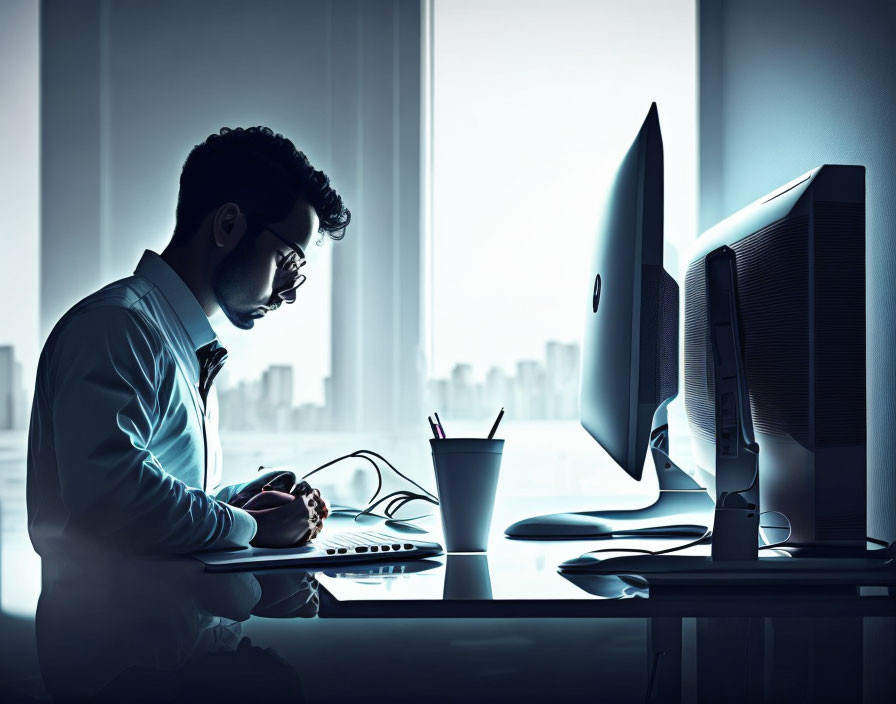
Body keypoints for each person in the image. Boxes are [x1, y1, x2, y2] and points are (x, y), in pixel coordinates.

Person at [27, 126, 350, 554]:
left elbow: (158, 511)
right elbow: (112, 501)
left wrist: (237, 502)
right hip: (106, 619)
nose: (289, 290)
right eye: (287, 261)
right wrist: (250, 526)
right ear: (228, 224)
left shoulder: (179, 344)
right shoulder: (116, 328)